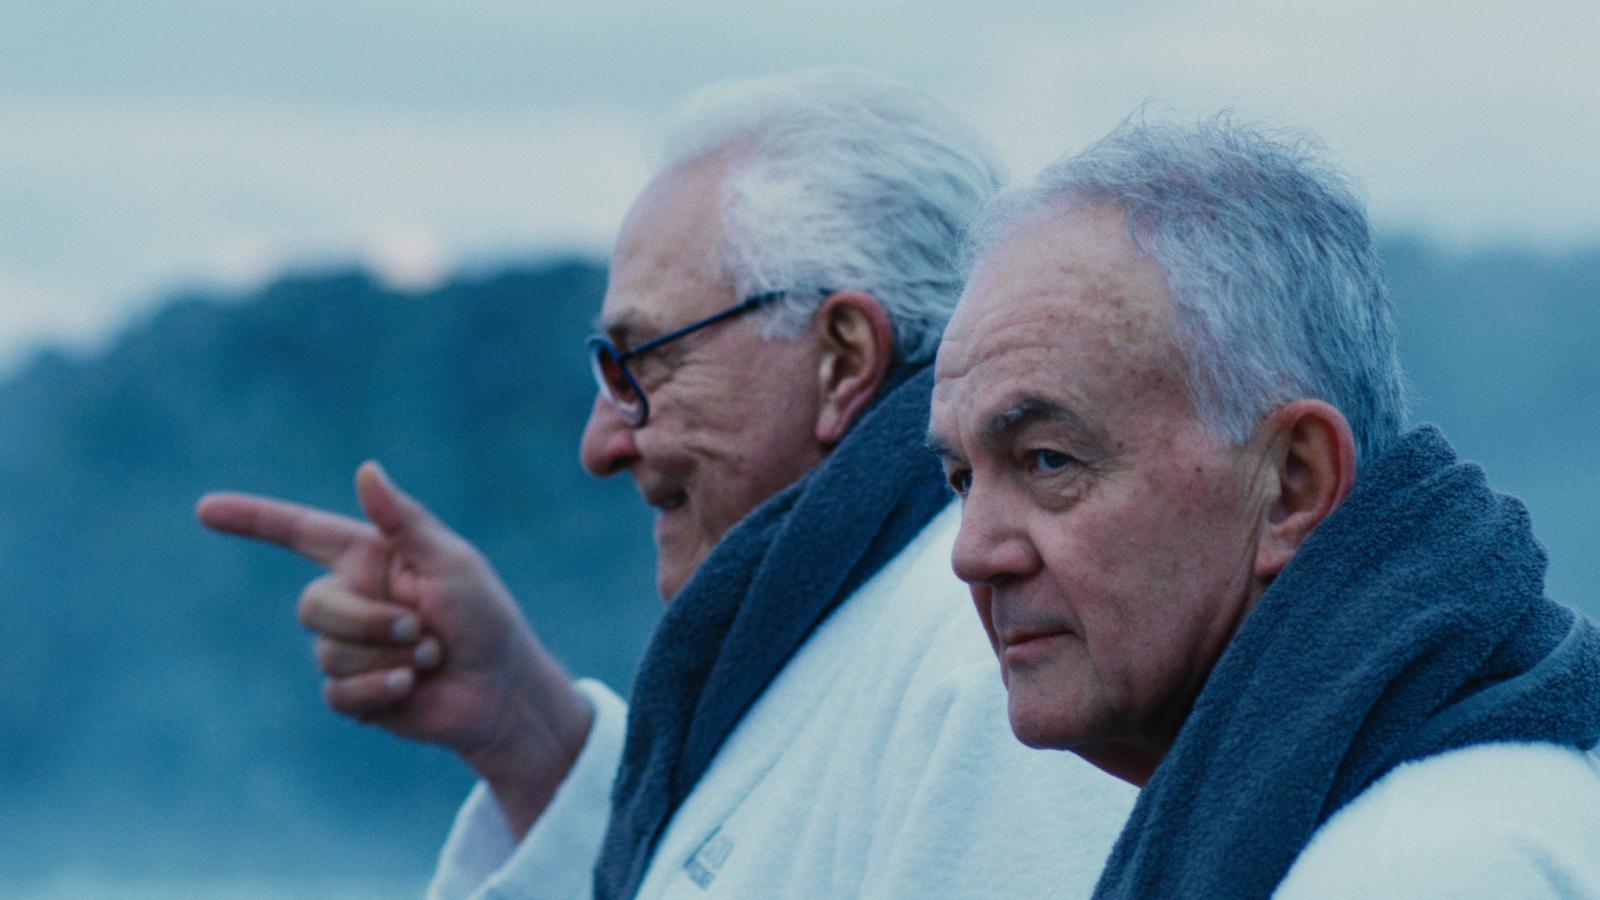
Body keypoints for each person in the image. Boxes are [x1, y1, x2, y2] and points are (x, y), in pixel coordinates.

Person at [198, 68, 1135, 899]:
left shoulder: (989, 656)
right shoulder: (884, 623)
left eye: (640, 361)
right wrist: (527, 730)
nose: (600, 444)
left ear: (843, 360)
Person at [928, 116, 1600, 898]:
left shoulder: (1430, 869)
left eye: (1049, 460)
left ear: (1292, 483)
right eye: (963, 479)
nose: (972, 553)